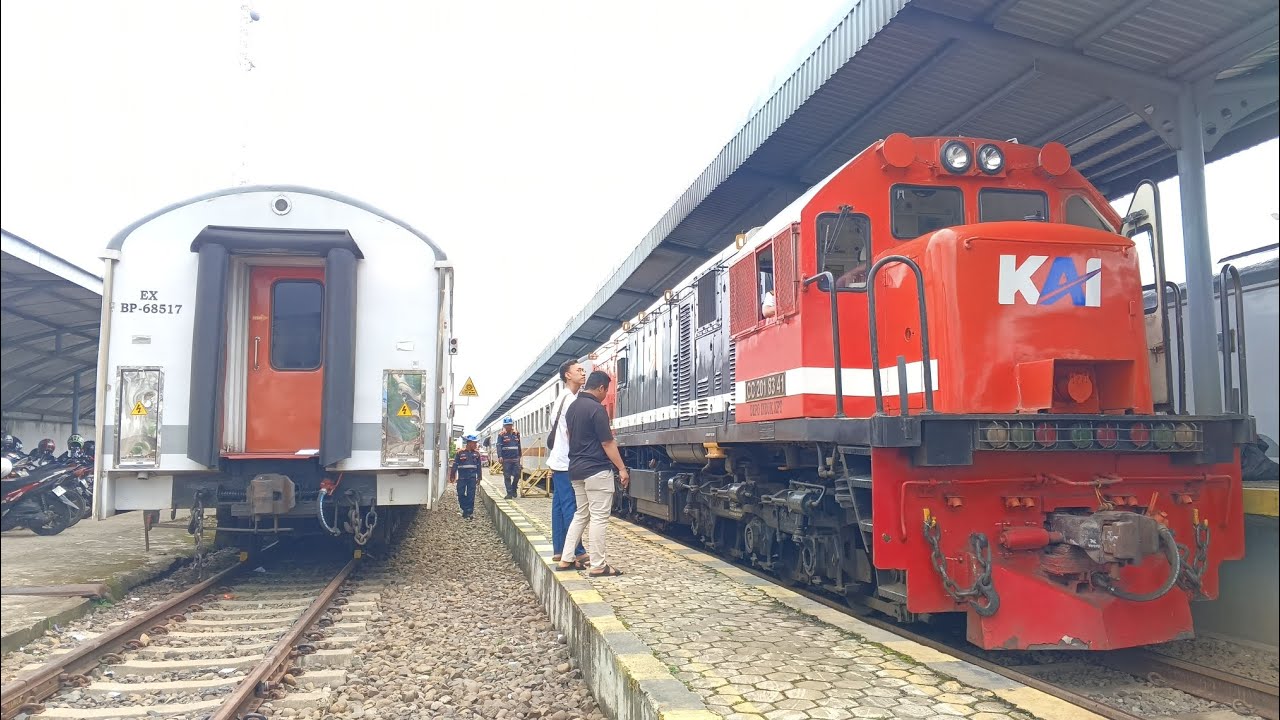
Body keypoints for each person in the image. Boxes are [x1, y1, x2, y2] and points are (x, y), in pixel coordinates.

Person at [558, 370, 629, 577]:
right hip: (596, 470)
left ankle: (566, 558)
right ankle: (598, 565)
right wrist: (622, 469)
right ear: (600, 388)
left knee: (581, 515)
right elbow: (607, 442)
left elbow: (570, 436)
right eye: (605, 391)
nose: (605, 395)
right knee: (598, 517)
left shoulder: (572, 408)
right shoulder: (596, 409)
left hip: (576, 470)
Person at [547, 359, 588, 567]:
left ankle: (559, 549)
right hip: (566, 461)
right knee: (571, 506)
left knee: (560, 506)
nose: (583, 373)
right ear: (567, 376)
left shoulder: (563, 398)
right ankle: (576, 551)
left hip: (559, 459)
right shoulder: (571, 400)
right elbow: (573, 434)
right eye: (578, 370)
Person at [449, 434, 484, 520]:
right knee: (460, 493)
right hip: (462, 478)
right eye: (474, 443)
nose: (475, 445)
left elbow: (479, 467)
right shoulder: (460, 453)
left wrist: (479, 477)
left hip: (472, 478)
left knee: (471, 495)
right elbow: (455, 465)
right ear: (468, 443)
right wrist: (452, 475)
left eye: (476, 443)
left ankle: (469, 511)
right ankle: (464, 508)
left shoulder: (477, 454)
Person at [496, 417, 522, 499]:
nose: (508, 427)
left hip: (515, 458)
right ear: (504, 426)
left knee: (517, 474)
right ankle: (509, 493)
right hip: (506, 459)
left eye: (510, 425)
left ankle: (514, 488)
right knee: (507, 476)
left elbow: (519, 445)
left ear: (512, 425)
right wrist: (500, 456)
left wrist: (520, 455)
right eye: (506, 425)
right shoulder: (501, 435)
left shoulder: (516, 434)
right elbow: (499, 446)